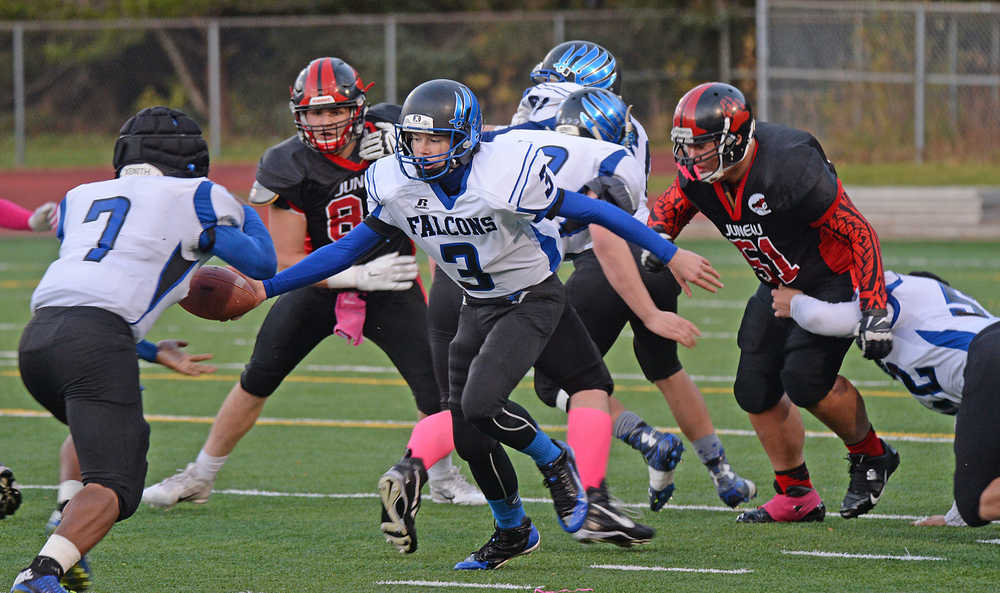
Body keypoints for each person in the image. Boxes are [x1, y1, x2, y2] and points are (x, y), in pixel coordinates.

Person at [239, 79, 722, 569]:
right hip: (475, 303)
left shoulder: (501, 176)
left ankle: (556, 462)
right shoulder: (398, 183)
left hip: (530, 298)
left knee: (480, 405)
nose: (422, 149)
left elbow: (594, 209)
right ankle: (513, 531)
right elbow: (345, 249)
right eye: (415, 138)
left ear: (466, 137)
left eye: (436, 138)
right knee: (468, 432)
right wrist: (265, 289)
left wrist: (669, 253)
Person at [140, 57, 484, 511]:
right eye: (314, 113)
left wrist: (403, 151)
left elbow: (454, 158)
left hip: (394, 283)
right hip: (317, 284)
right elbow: (285, 257)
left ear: (358, 108)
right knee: (257, 378)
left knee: (436, 387)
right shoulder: (288, 164)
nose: (324, 122)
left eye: (334, 110)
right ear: (298, 115)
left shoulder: (397, 130)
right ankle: (200, 475)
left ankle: (439, 475)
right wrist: (356, 275)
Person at [9, 106, 277, 593]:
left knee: (96, 433)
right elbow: (261, 263)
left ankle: (66, 524)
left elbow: (95, 284)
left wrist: (152, 350)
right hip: (96, 343)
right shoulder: (199, 195)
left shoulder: (79, 197)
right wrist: (246, 209)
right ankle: (40, 574)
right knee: (117, 483)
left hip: (38, 341)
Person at [504, 42, 755, 510]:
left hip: (603, 260)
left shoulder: (550, 125)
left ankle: (644, 444)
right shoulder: (627, 127)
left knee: (559, 381)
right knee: (665, 367)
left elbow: (598, 226)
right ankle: (723, 473)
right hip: (651, 251)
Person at [644, 81, 898, 523]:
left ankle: (872, 454)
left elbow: (859, 231)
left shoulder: (789, 165)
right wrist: (658, 240)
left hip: (831, 279)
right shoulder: (701, 177)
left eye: (702, 145)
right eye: (687, 145)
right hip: (777, 285)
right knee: (753, 388)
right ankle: (796, 492)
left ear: (734, 140)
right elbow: (670, 206)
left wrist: (874, 307)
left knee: (805, 382)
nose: (691, 156)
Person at [771, 270, 1000, 527]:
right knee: (974, 503)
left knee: (978, 502)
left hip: (990, 362)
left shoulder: (897, 288)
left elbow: (829, 319)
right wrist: (957, 515)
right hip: (986, 373)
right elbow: (975, 427)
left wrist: (796, 303)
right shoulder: (953, 323)